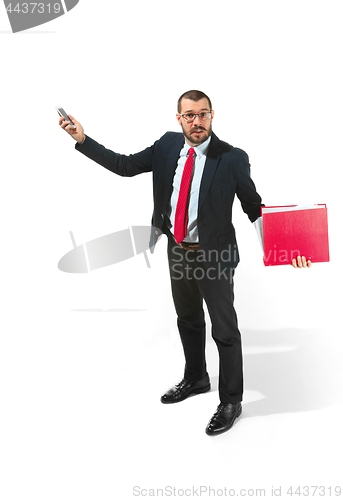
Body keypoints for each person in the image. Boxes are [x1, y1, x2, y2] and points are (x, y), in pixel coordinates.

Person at [59, 90, 311, 436]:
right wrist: (83, 139)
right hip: (177, 249)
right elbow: (125, 166)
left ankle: (231, 401)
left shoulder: (232, 158)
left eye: (203, 114)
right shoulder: (166, 146)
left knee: (224, 330)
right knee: (188, 319)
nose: (196, 121)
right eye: (189, 115)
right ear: (178, 119)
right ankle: (196, 378)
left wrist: (288, 248)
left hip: (216, 255)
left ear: (212, 116)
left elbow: (254, 207)